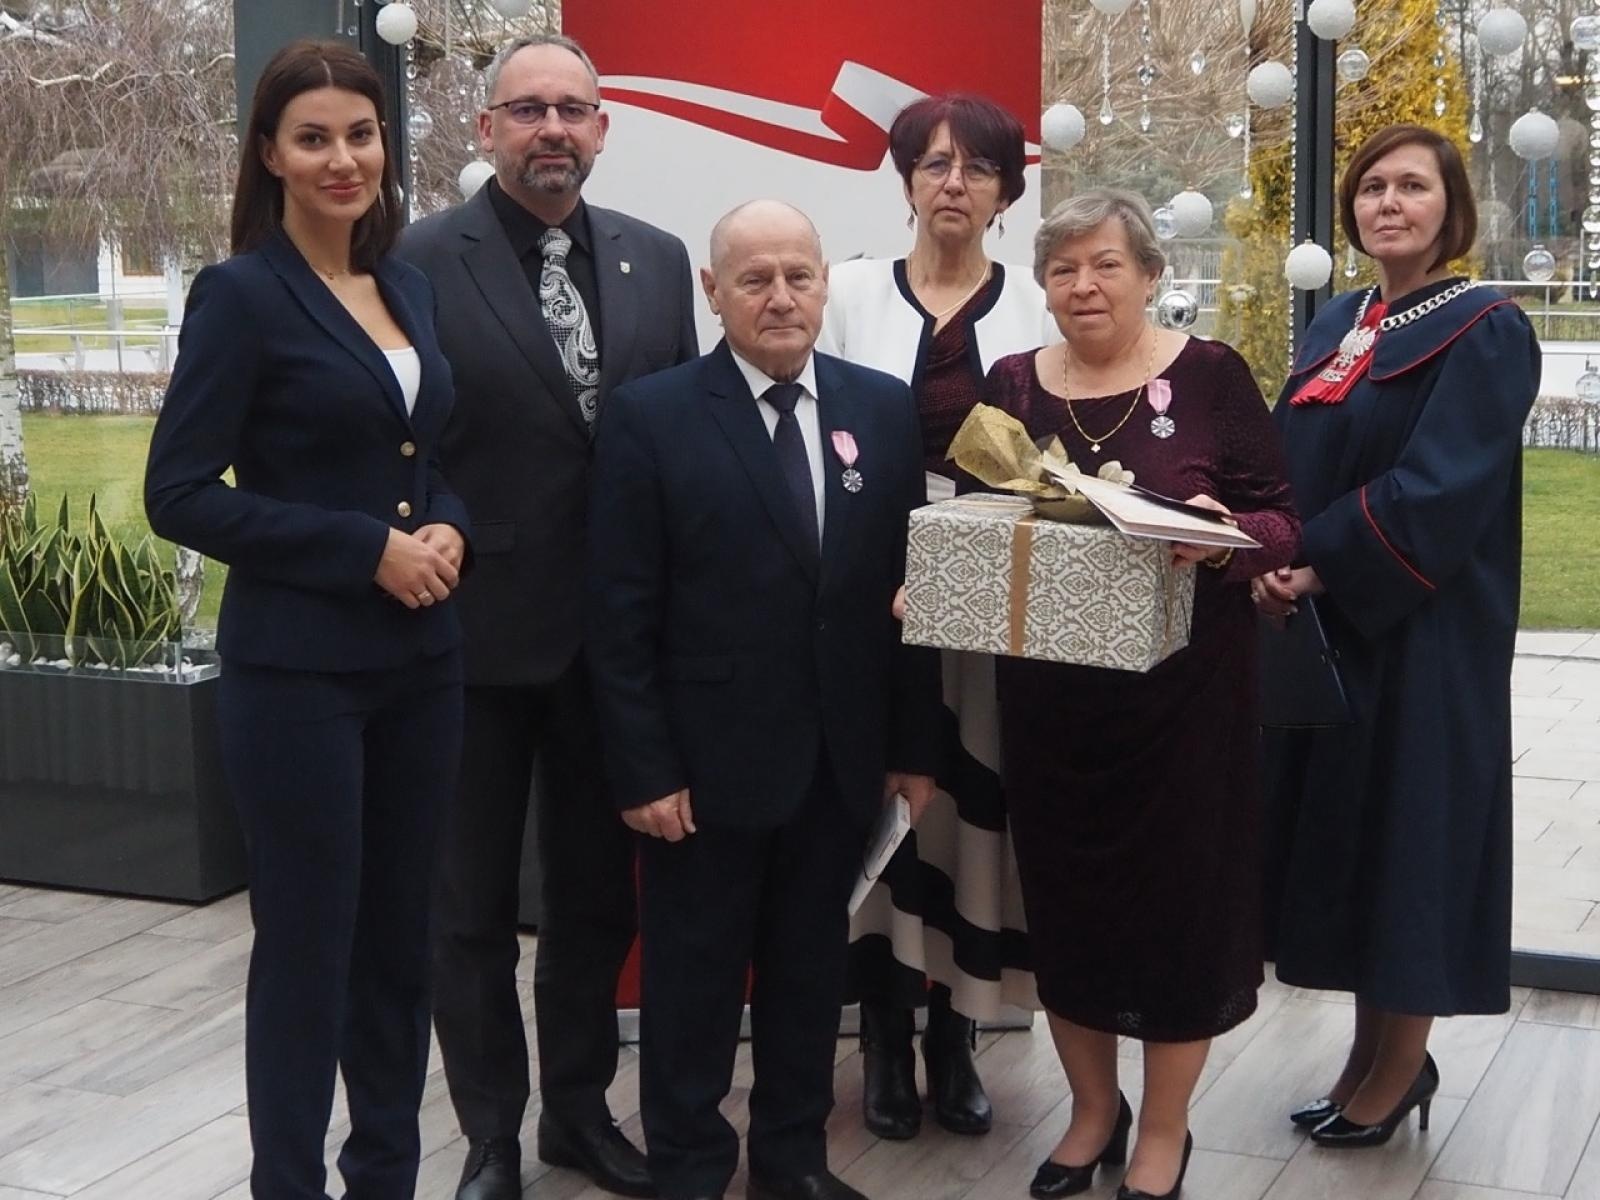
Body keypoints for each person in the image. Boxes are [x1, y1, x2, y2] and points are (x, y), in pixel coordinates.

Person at [143, 40, 469, 1200]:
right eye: (315, 138)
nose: (344, 159)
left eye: (361, 135)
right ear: (270, 156)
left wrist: (448, 530)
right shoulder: (239, 296)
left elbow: (432, 456)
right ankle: (287, 1182)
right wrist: (360, 549)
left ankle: (385, 1174)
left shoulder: (410, 288)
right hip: (297, 678)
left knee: (397, 944)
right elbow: (176, 494)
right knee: (308, 949)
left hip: (422, 665)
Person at [586, 199, 942, 1200]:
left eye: (799, 275)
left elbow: (908, 594)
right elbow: (618, 614)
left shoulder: (879, 408)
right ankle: (693, 1169)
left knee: (805, 979)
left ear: (826, 283)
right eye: (755, 279)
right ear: (713, 292)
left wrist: (911, 749)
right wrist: (644, 767)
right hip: (700, 774)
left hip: (839, 763)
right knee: (692, 987)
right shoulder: (649, 417)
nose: (780, 298)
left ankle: (792, 1163)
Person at [396, 33, 698, 1200]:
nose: (552, 130)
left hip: (613, 651)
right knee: (464, 909)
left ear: (604, 128)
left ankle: (575, 1114)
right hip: (465, 639)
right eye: (527, 111)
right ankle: (486, 1135)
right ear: (486, 131)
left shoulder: (658, 262)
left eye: (573, 109)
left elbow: (673, 442)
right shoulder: (417, 261)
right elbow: (404, 440)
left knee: (588, 900)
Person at [981, 190, 1299, 1200]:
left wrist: (1224, 528)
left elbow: (1282, 523)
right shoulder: (1011, 385)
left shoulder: (1209, 377)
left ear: (1151, 273)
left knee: (1178, 915)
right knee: (1066, 907)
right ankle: (1090, 1114)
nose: (1084, 285)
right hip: (1049, 707)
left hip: (1187, 704)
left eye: (1105, 264)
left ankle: (1163, 1130)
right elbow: (983, 511)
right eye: (1064, 268)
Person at [1257, 124, 1539, 1149]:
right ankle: (1373, 1059)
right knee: (1358, 842)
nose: (1388, 202)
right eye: (1371, 187)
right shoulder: (1340, 320)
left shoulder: (1485, 329)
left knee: (1411, 839)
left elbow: (1439, 488)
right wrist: (1268, 546)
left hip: (1425, 634)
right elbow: (1291, 453)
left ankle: (1397, 1066)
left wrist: (1322, 557)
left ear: (1447, 206)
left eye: (1411, 186)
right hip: (1334, 621)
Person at [816, 92, 1056, 1141]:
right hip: (865, 594)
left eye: (977, 166)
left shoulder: (1036, 309)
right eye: (932, 162)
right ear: (904, 177)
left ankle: (956, 1033)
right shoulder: (847, 294)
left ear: (1006, 189)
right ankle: (881, 1035)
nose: (952, 181)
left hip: (993, 597)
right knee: (878, 804)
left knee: (969, 813)